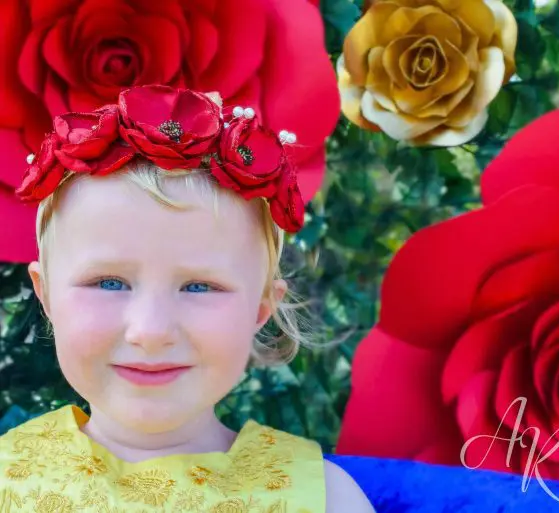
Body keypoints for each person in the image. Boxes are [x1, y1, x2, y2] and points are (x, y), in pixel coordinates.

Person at [0, 85, 375, 513]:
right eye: (108, 282)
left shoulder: (324, 497)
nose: (151, 331)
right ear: (46, 294)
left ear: (260, 308)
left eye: (199, 287)